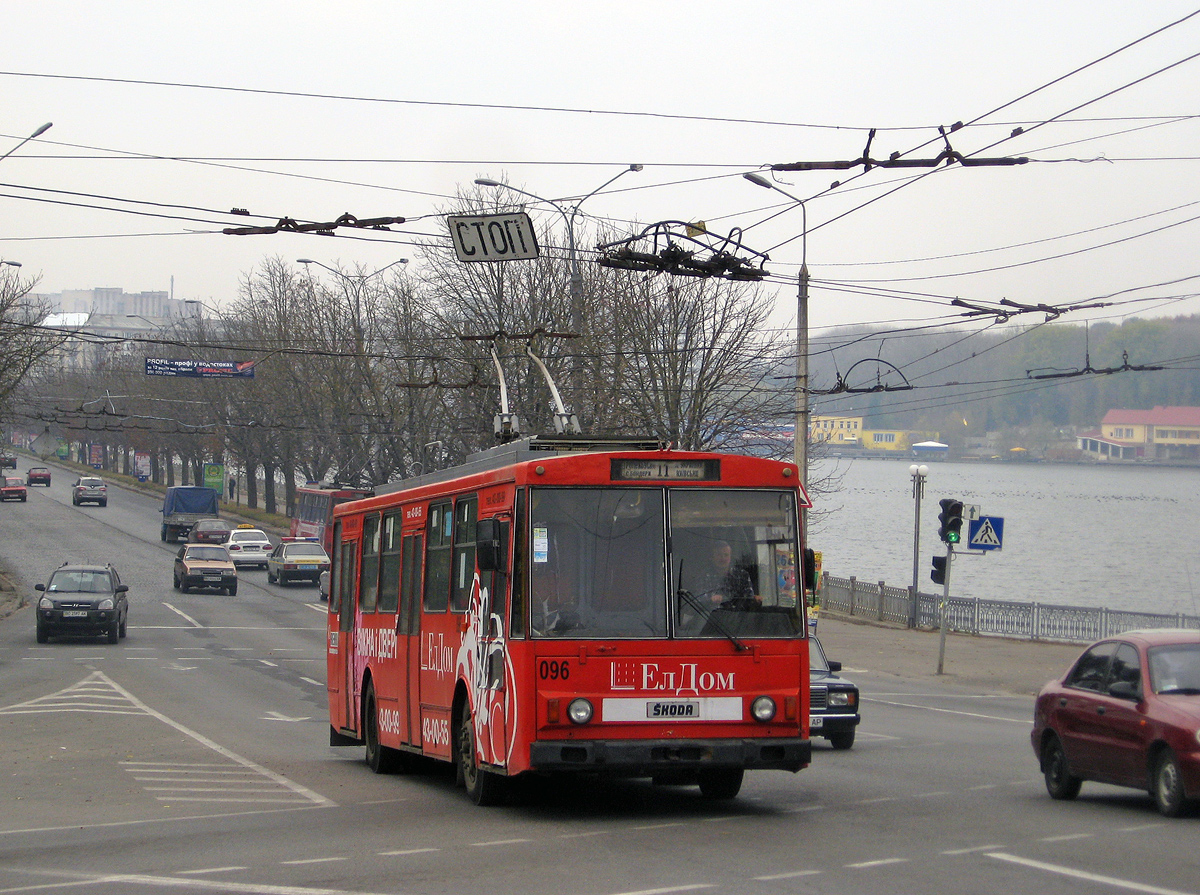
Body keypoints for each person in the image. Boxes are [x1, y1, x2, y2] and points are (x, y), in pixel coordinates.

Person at [694, 540, 756, 607]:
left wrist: (756, 600)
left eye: (726, 555)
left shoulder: (743, 575)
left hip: (737, 616)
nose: (723, 558)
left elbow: (749, 598)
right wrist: (711, 599)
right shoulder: (704, 576)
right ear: (712, 558)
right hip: (710, 616)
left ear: (730, 557)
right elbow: (697, 599)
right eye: (719, 555)